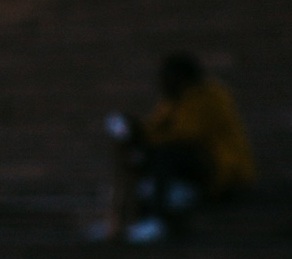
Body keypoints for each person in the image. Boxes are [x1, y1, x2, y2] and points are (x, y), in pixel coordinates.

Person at [107, 51, 255, 242]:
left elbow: (187, 135)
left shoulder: (209, 96)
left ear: (183, 77)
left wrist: (146, 137)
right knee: (138, 154)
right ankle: (127, 219)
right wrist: (134, 129)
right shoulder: (173, 100)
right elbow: (156, 127)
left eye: (168, 77)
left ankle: (159, 220)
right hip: (189, 164)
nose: (164, 82)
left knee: (166, 154)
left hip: (220, 169)